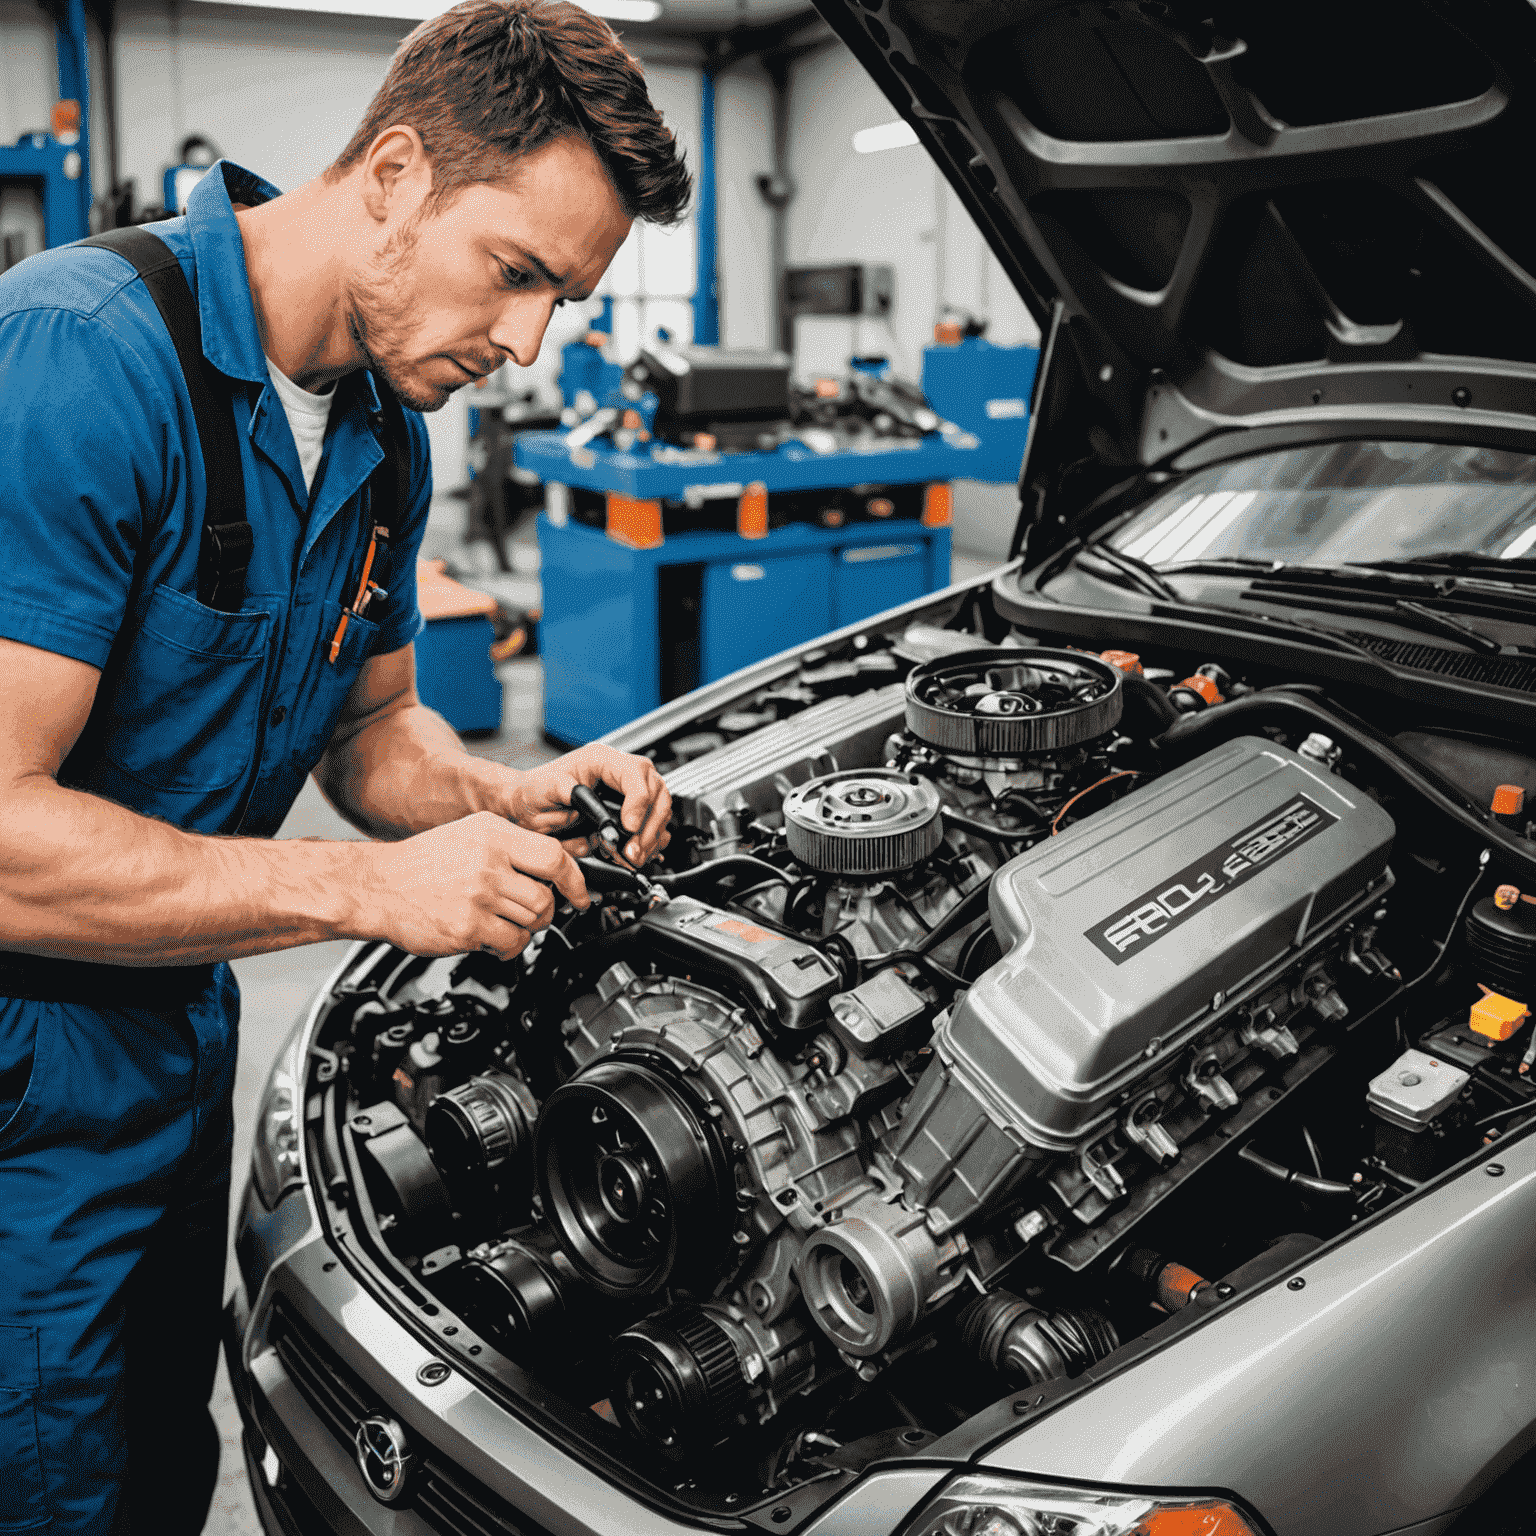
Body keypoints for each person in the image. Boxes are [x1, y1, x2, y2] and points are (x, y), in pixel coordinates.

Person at [0, 2, 689, 1529]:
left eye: (562, 303)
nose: (525, 347)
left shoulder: (386, 424)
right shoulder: (80, 359)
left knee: (156, 1461)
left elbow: (370, 730)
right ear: (392, 174)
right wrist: (372, 890)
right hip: (23, 1082)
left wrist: (498, 798)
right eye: (517, 274)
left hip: (177, 1039)